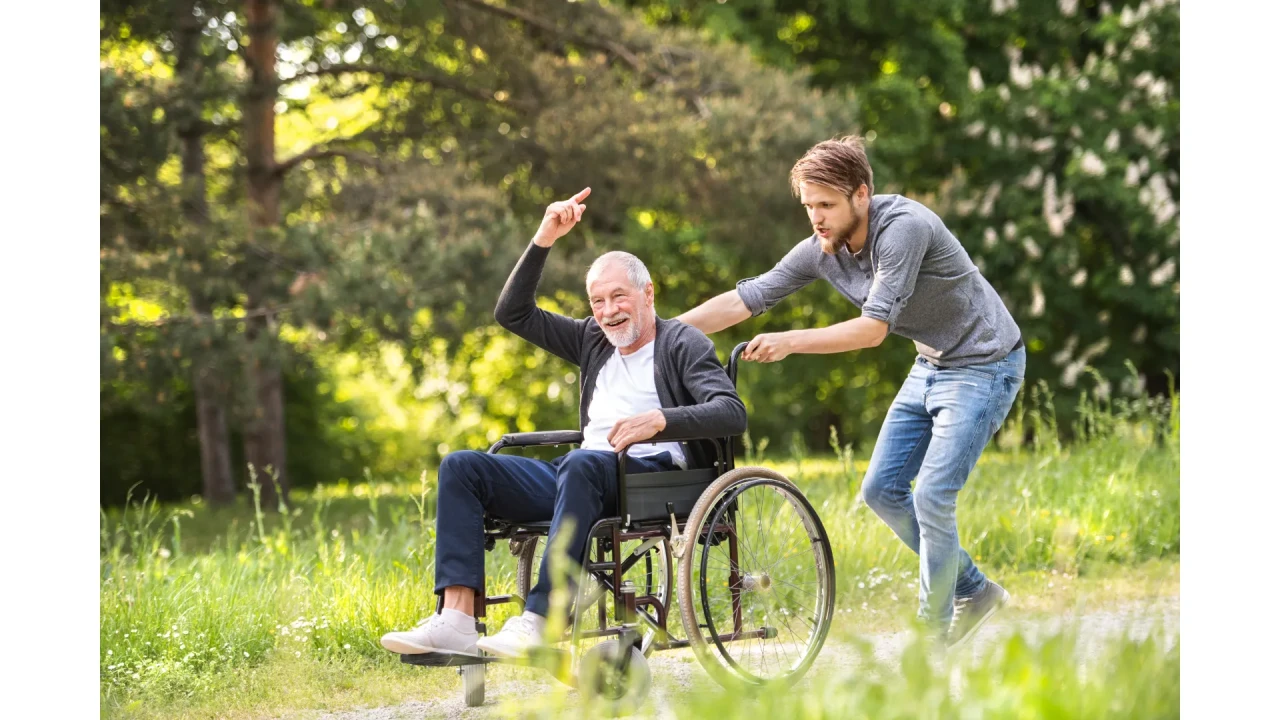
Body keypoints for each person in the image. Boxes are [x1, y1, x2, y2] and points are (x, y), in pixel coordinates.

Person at [676, 136, 1025, 647]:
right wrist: (660, 335)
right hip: (931, 362)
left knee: (932, 495)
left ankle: (930, 638)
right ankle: (975, 590)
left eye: (826, 205)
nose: (816, 218)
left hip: (984, 364)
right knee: (881, 491)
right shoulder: (824, 248)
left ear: (861, 194)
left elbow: (872, 330)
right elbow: (748, 298)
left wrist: (790, 341)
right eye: (808, 206)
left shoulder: (903, 229)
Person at [380, 187, 747, 658]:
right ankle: (455, 620)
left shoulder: (682, 343)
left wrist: (659, 420)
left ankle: (539, 620)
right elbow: (512, 313)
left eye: (619, 297)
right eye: (598, 301)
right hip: (583, 475)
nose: (608, 311)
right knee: (462, 467)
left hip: (650, 480)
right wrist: (544, 238)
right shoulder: (592, 339)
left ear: (648, 293)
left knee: (581, 463)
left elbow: (731, 412)